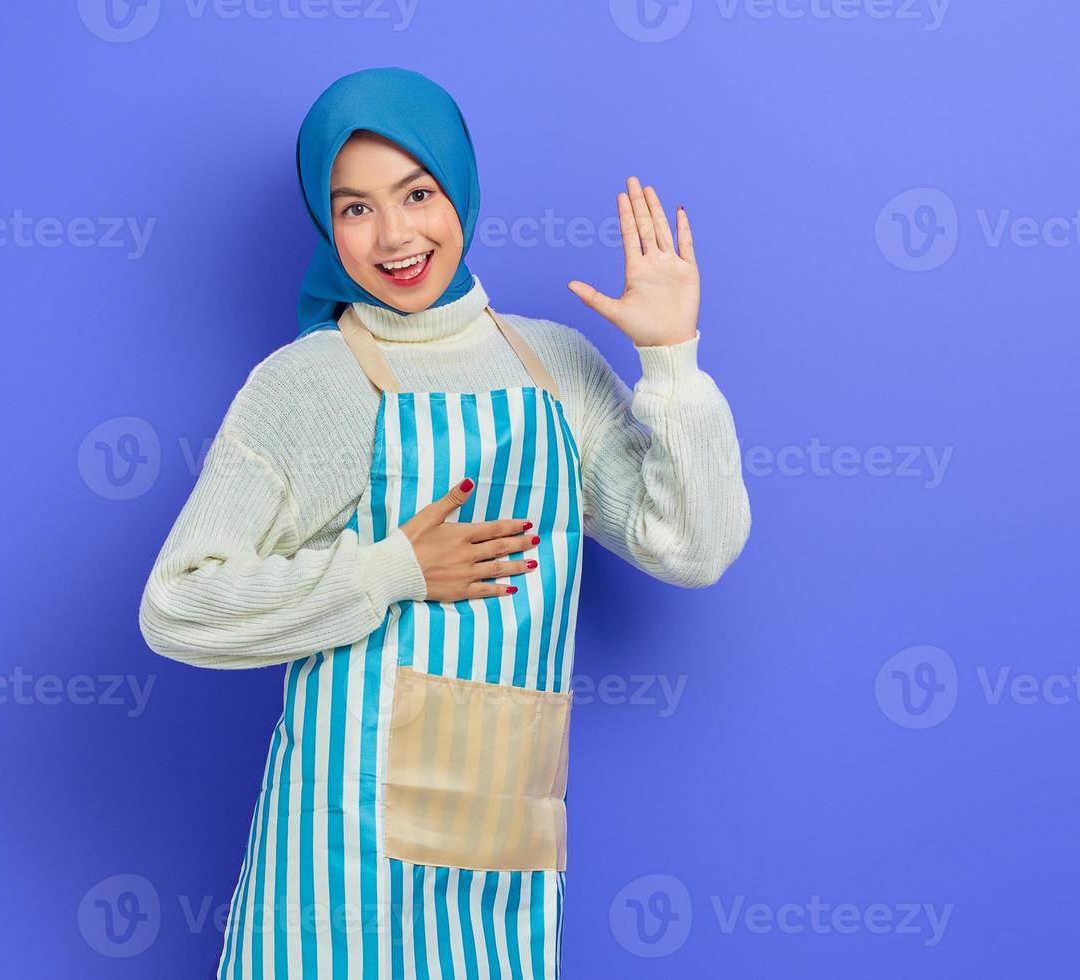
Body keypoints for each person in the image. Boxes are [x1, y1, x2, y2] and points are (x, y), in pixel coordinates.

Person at [138, 66, 751, 979]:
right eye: (354, 208)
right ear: (326, 221)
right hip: (338, 857)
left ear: (458, 186)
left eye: (417, 193)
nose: (393, 236)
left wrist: (669, 361)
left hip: (497, 838)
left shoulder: (551, 365)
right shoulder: (310, 383)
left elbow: (691, 550)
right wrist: (387, 573)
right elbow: (176, 606)